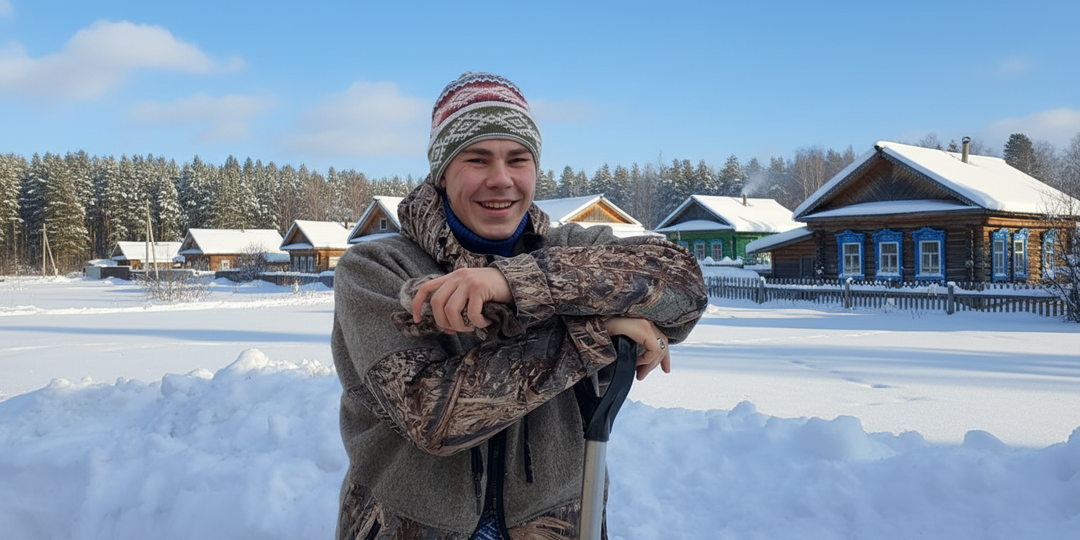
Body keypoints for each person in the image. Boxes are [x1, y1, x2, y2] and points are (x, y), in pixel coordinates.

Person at [331, 72, 707, 540]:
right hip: (406, 525)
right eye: (477, 159)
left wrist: (513, 281)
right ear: (442, 172)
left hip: (560, 523)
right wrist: (594, 332)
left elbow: (684, 282)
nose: (501, 179)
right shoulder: (377, 267)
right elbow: (432, 416)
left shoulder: (571, 247)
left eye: (518, 159)